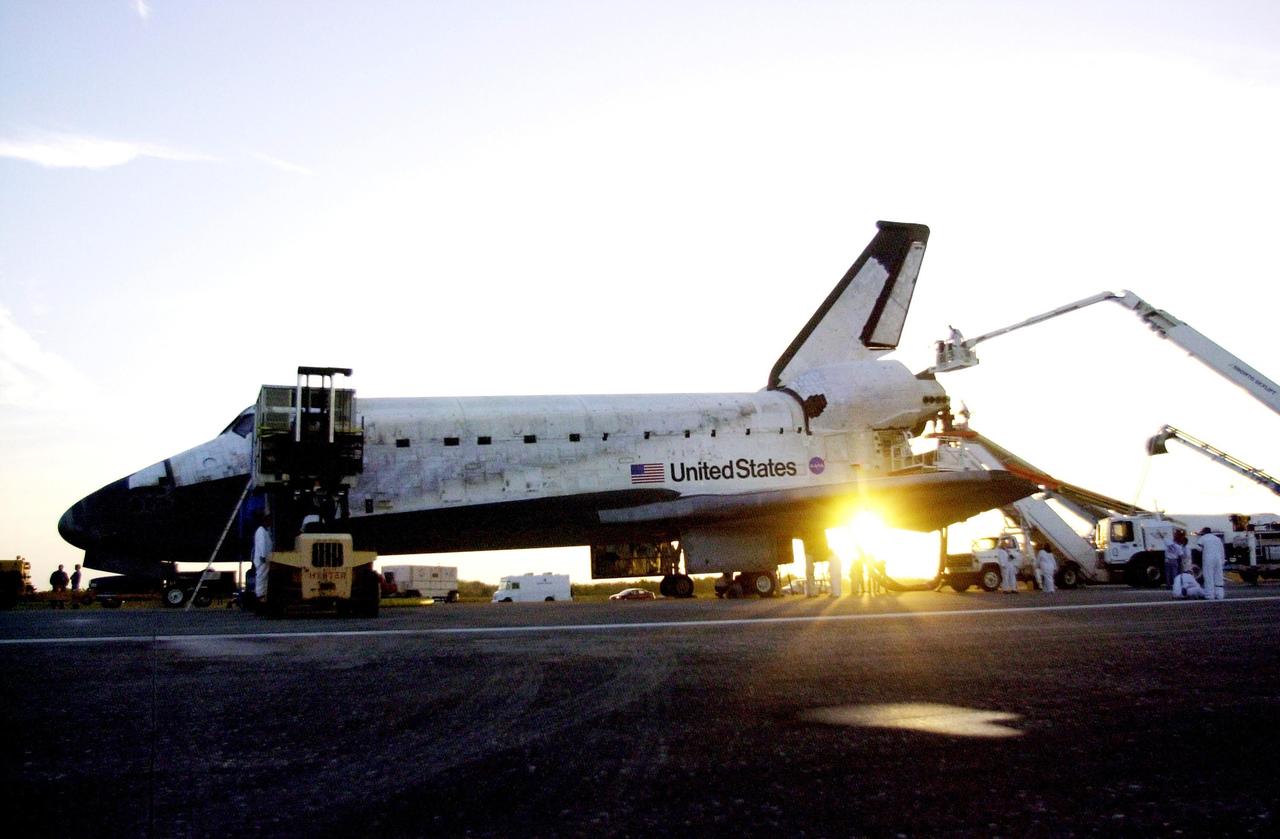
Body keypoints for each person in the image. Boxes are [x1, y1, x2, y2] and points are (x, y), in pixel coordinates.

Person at [1198, 526, 1226, 601]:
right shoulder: (1217, 539)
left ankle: (1209, 595)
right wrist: (1222, 561)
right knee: (1218, 576)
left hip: (1208, 559)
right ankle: (1220, 594)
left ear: (1204, 532)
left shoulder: (1203, 538)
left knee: (1208, 576)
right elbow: (1222, 550)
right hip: (1218, 559)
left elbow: (1199, 548)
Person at [252, 513, 274, 603]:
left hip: (265, 559)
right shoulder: (261, 531)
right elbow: (262, 545)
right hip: (262, 559)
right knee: (261, 577)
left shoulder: (265, 531)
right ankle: (260, 596)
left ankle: (262, 596)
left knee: (264, 578)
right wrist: (263, 556)